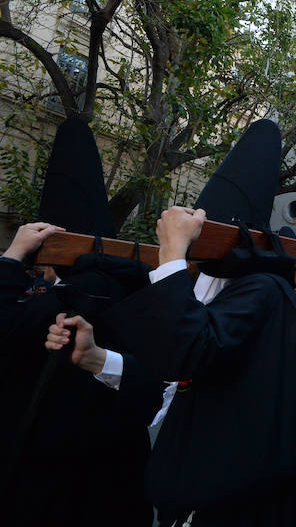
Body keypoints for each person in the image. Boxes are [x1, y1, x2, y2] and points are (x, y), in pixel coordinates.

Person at [98, 119, 296, 526]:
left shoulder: (263, 289)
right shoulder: (224, 287)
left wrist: (170, 254)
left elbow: (190, 349)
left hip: (243, 504)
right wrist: (96, 357)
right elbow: (173, 372)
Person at [0, 118, 159, 527]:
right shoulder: (133, 290)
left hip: (58, 487)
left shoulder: (69, 296)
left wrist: (12, 257)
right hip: (116, 486)